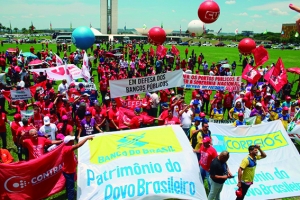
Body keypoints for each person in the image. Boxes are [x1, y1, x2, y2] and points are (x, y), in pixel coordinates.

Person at [62, 135, 94, 200]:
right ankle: (70, 197)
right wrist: (86, 138)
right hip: (69, 171)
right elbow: (78, 145)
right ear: (69, 142)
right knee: (71, 187)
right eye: (72, 140)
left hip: (69, 170)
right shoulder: (67, 148)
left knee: (69, 185)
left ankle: (70, 193)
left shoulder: (67, 147)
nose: (73, 141)